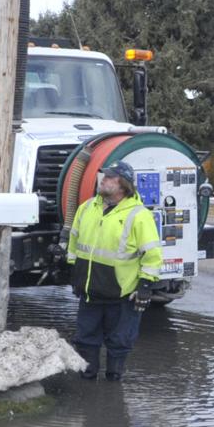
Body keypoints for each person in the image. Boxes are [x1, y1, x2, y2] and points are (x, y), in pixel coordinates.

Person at [67, 161, 162, 381]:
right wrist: (74, 271)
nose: (104, 179)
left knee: (119, 341)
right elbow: (74, 242)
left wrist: (145, 285)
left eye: (111, 177)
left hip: (121, 294)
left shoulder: (139, 215)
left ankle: (113, 380)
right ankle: (88, 380)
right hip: (90, 291)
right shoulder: (87, 207)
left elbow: (152, 254)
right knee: (85, 338)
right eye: (104, 176)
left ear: (124, 185)